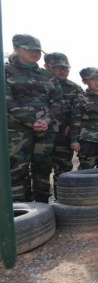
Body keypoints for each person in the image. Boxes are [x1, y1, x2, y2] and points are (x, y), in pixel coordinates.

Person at [5, 34, 63, 202]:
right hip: (17, 131)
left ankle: (43, 209)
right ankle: (20, 213)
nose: (35, 54)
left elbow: (58, 103)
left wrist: (46, 121)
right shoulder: (6, 71)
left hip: (45, 130)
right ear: (16, 49)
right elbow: (6, 102)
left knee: (43, 169)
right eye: (29, 50)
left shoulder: (48, 76)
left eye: (38, 51)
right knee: (17, 170)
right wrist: (31, 122)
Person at [44, 52, 83, 198]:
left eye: (66, 68)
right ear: (47, 67)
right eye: (58, 68)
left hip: (64, 137)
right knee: (41, 171)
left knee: (64, 171)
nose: (63, 71)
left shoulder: (75, 88)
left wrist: (71, 128)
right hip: (41, 136)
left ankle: (62, 201)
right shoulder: (39, 84)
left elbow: (79, 113)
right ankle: (40, 206)